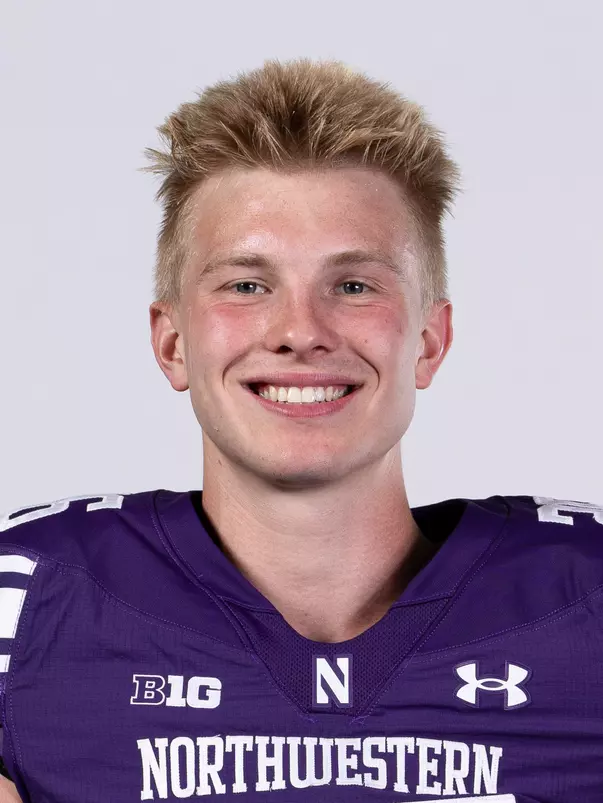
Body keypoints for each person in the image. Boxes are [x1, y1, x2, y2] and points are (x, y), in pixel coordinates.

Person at [0, 58, 602, 803]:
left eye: (353, 285)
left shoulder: (584, 601)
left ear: (428, 340)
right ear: (172, 342)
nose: (299, 331)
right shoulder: (30, 604)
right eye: (247, 284)